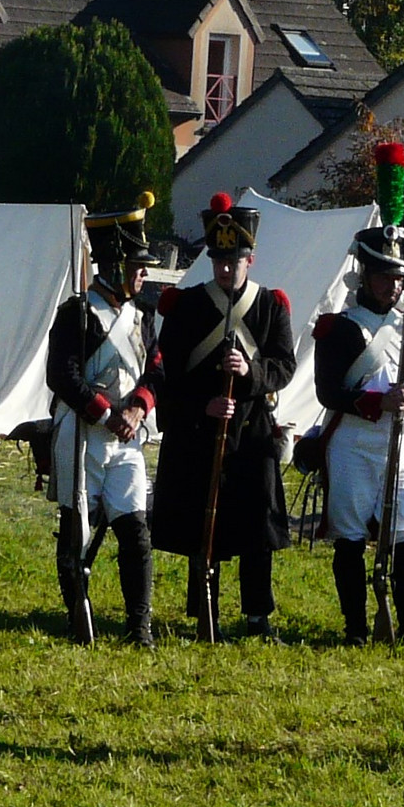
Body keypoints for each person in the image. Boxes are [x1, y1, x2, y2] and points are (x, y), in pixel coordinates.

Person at [312, 142, 404, 648]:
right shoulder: (339, 329)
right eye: (385, 276)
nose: (393, 285)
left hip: (401, 443)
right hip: (354, 443)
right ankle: (354, 630)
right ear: (365, 275)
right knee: (349, 535)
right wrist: (375, 403)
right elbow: (328, 392)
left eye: (398, 276)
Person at [149, 192, 297, 641]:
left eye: (234, 260)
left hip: (251, 432)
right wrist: (202, 406)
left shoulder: (271, 306)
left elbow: (284, 366)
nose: (226, 269)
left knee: (256, 528)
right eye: (219, 260)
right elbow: (167, 372)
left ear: (249, 259)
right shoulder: (188, 306)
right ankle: (204, 610)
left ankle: (257, 614)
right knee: (202, 525)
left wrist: (250, 373)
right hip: (200, 431)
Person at [47, 193, 160, 645]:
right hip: (81, 435)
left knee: (135, 530)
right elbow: (63, 375)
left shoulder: (141, 316)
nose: (143, 273)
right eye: (136, 264)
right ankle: (77, 608)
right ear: (114, 265)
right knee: (78, 525)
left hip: (127, 437)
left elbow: (155, 370)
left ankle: (140, 626)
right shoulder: (77, 314)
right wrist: (106, 414)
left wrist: (137, 408)